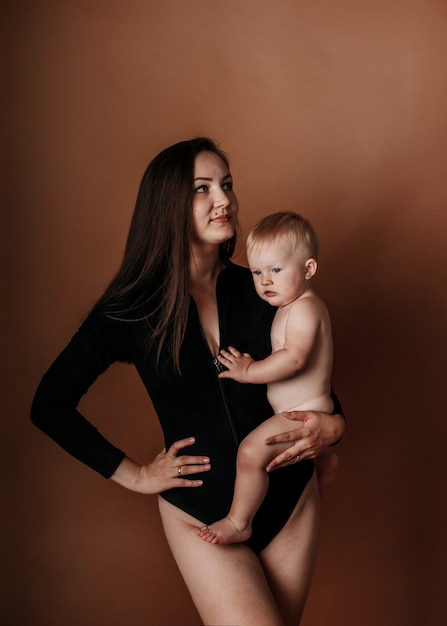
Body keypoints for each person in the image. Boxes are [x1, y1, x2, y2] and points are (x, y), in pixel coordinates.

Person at [30, 138, 345, 626]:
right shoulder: (130, 309)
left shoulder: (263, 287)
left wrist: (334, 424)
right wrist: (135, 475)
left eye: (227, 184)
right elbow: (49, 404)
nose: (224, 199)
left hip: (289, 500)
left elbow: (308, 370)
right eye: (203, 188)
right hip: (198, 509)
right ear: (167, 205)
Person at [197, 211, 334, 546]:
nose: (264, 280)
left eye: (275, 270)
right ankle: (324, 462)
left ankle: (238, 521)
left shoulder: (305, 308)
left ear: (308, 269)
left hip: (301, 412)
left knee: (249, 453)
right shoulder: (289, 305)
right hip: (295, 410)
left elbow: (295, 358)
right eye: (257, 271)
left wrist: (249, 371)